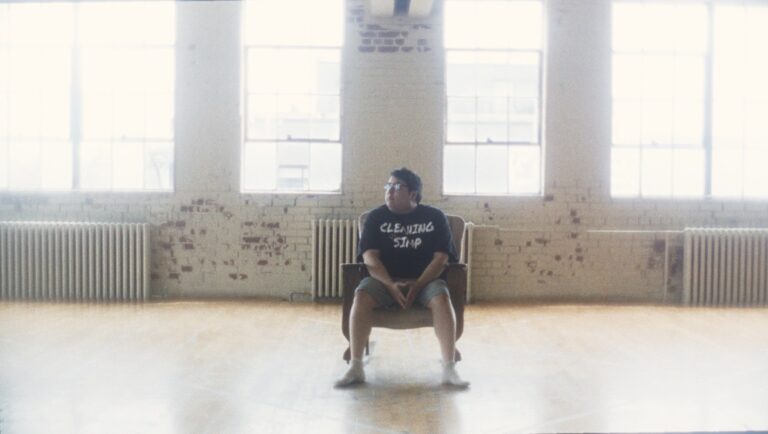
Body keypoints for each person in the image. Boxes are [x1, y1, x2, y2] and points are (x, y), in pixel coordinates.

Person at [334, 167, 469, 388]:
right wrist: (390, 284)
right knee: (361, 294)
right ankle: (356, 367)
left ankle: (449, 369)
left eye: (396, 186)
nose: (389, 191)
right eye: (388, 186)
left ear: (413, 194)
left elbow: (441, 259)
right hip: (384, 281)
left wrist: (418, 286)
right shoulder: (376, 217)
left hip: (426, 281)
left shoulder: (435, 217)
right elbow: (369, 258)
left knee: (442, 298)